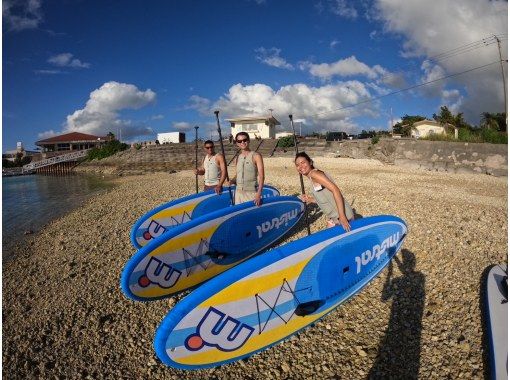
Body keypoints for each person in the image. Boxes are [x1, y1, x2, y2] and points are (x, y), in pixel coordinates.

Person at [294, 152, 353, 231]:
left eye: (303, 162)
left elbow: (335, 190)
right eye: (297, 165)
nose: (300, 166)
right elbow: (326, 198)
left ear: (310, 162)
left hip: (342, 216)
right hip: (334, 217)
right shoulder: (312, 176)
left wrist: (342, 216)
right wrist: (310, 199)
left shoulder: (314, 174)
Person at [229, 132, 264, 206]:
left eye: (245, 140)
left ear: (248, 140)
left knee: (253, 216)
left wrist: (259, 193)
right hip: (238, 193)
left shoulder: (256, 156)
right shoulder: (237, 158)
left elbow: (262, 176)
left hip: (251, 193)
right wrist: (232, 180)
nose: (242, 142)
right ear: (237, 143)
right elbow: (238, 174)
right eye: (239, 141)